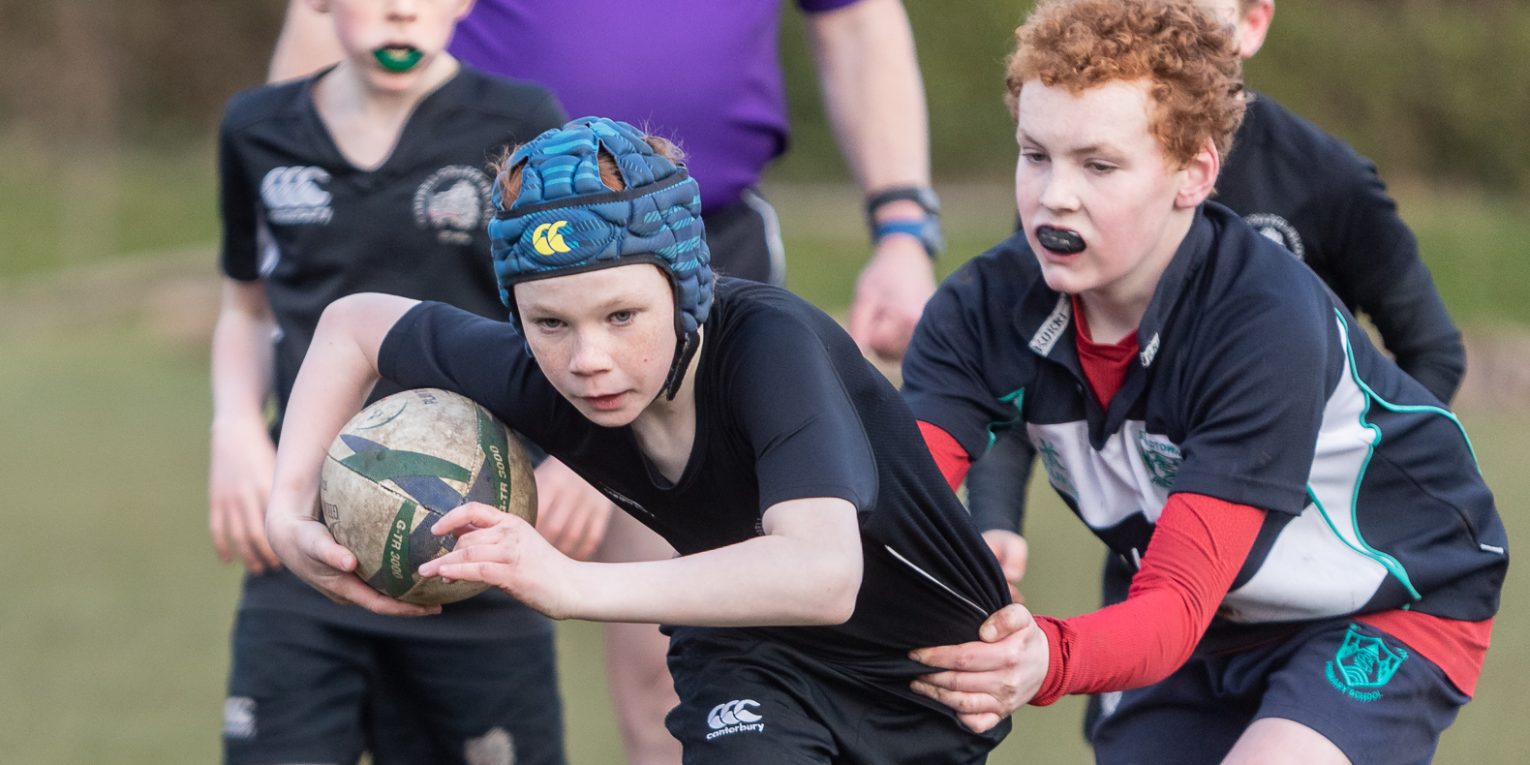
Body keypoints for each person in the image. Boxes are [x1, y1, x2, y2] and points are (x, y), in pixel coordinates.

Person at [270, 4, 946, 760]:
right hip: (755, 663)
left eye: (622, 315)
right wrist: (285, 508)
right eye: (550, 324)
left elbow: (824, 573)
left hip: (919, 685)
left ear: (689, 291)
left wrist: (566, 582)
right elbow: (350, 324)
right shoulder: (536, 365)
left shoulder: (768, 344)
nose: (587, 358)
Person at [899, 2, 1507, 763]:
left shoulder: (1264, 319)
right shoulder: (978, 311)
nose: (1055, 195)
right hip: (1194, 604)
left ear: (1193, 174)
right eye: (1035, 154)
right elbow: (886, 505)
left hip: (1381, 598)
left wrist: (1043, 655)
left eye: (1099, 164)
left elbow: (1175, 606)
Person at [966, 0, 1469, 625]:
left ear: (1252, 24)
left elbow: (1433, 353)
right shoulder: (1069, 178)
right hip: (1148, 540)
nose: (1158, 19)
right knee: (1137, 680)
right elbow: (1024, 368)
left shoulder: (1328, 180)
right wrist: (994, 520)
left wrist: (1304, 470)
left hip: (1300, 566)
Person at [209, 0, 567, 762]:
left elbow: (566, 309)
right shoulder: (256, 128)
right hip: (302, 539)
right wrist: (236, 426)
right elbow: (245, 309)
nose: (402, 10)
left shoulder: (521, 119)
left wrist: (574, 464)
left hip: (481, 548)